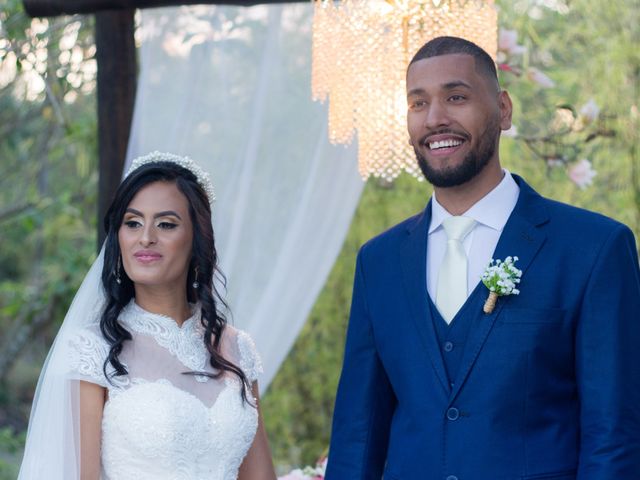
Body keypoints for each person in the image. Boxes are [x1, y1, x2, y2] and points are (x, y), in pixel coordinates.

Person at [325, 36, 640, 479]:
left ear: (503, 109)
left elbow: (614, 435)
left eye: (456, 97)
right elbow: (357, 436)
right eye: (418, 103)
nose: (435, 118)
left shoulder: (594, 249)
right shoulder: (378, 261)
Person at [18, 152, 277, 480]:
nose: (146, 238)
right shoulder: (90, 350)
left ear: (197, 238)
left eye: (166, 224)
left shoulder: (238, 350)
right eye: (133, 223)